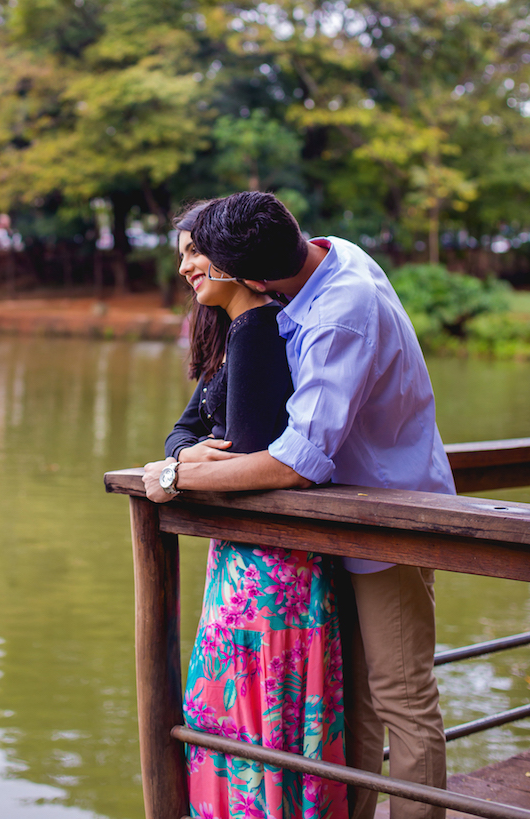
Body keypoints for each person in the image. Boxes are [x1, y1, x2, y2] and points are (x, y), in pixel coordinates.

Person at [181, 191, 456, 819]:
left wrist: (178, 475)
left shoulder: (340, 314)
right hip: (340, 522)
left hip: (393, 519)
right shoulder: (328, 254)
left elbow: (296, 463)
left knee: (401, 697)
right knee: (350, 706)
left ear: (252, 279)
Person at [143, 203, 348, 819]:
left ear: (232, 261)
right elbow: (184, 431)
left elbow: (257, 458)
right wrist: (187, 458)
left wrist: (182, 473)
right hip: (245, 563)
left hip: (267, 572)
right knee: (242, 714)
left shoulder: (258, 333)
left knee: (252, 715)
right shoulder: (233, 332)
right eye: (180, 254)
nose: (184, 268)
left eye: (193, 253)